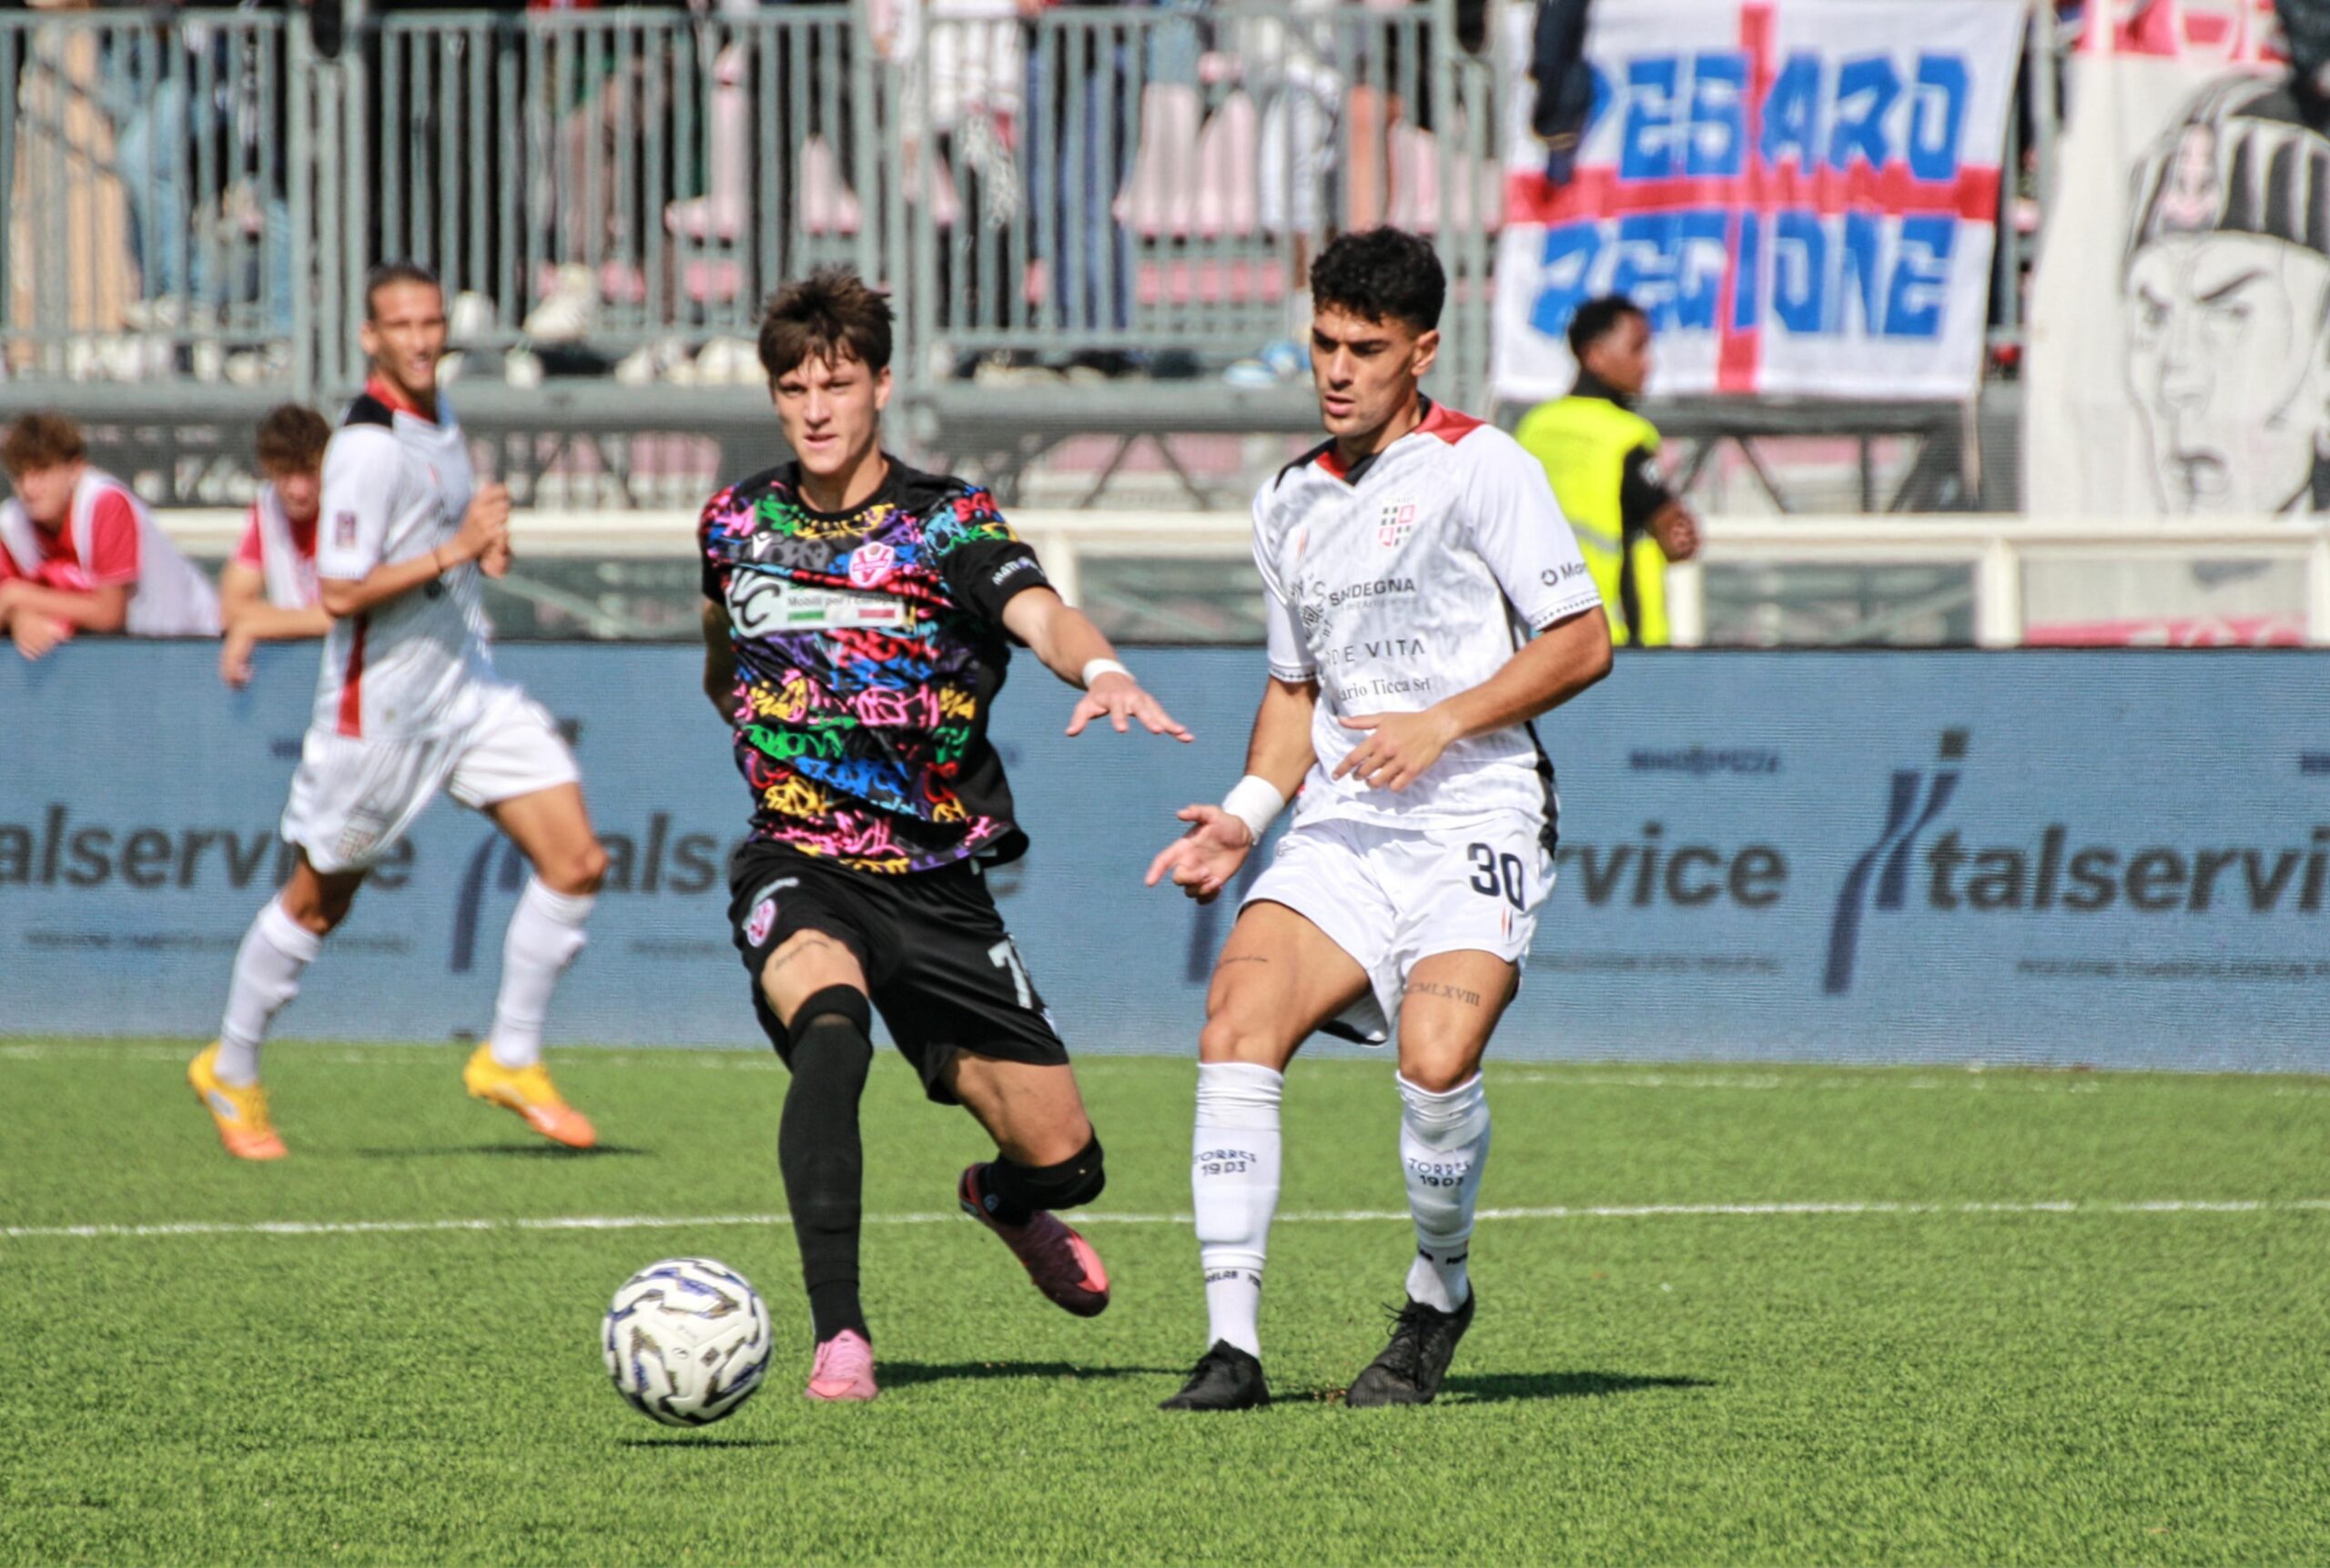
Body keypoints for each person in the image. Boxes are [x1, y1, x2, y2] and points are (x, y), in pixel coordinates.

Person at [697, 268, 1190, 1402]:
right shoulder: (735, 522)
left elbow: (1035, 610)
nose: (816, 408)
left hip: (937, 885)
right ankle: (841, 1336)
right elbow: (723, 651)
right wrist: (768, 723)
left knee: (1071, 1163)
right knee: (830, 1028)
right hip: (798, 859)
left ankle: (1004, 1200)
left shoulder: (943, 520)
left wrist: (1102, 665)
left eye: (838, 383)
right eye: (793, 387)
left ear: (880, 385)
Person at [1145, 228, 1612, 1411]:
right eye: (1323, 343)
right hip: (1347, 821)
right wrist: (1247, 817)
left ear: (1423, 351)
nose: (1338, 369)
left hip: (1478, 804)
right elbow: (1297, 692)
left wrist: (1443, 720)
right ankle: (1232, 1344)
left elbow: (1582, 641)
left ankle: (1437, 1291)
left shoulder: (1482, 466)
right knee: (1238, 1014)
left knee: (1436, 1061)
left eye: (1367, 347)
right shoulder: (1289, 499)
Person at [188, 262, 610, 1161]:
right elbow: (341, 591)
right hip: (378, 713)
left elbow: (438, 543)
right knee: (315, 904)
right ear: (369, 338)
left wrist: (480, 545)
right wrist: (454, 546)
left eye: (431, 323)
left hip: (465, 690)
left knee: (576, 860)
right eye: (402, 326)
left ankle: (511, 1055)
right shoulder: (367, 445)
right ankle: (231, 1064)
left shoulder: (438, 416)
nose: (422, 339)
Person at [1513, 294, 1699, 647]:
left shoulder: (1533, 428)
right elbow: (1676, 538)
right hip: (1618, 639)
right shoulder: (1624, 436)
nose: (1648, 363)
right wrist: (1682, 533)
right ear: (1595, 356)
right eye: (1638, 349)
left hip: (1543, 637)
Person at [0, 411, 219, 659]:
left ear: (75, 469)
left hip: (190, 643)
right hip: (116, 657)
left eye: (42, 472)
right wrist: (20, 617)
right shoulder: (12, 523)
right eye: (20, 475)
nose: (29, 488)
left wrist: (19, 597)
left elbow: (109, 614)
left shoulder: (104, 504)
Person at [218, 402, 332, 688]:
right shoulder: (267, 508)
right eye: (286, 474)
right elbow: (232, 608)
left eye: (309, 473)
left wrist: (258, 625)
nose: (299, 490)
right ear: (268, 469)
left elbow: (351, 612)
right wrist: (306, 621)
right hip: (300, 672)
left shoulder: (345, 508)